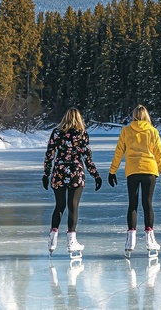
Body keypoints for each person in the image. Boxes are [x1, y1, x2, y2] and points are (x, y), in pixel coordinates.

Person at [108, 105, 161, 255]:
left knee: (133, 204)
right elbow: (158, 153)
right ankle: (150, 240)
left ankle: (130, 239)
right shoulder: (152, 131)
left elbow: (118, 152)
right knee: (147, 204)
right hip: (149, 171)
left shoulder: (126, 131)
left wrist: (112, 171)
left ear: (134, 116)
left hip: (133, 171)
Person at [42, 107, 102, 255]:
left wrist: (46, 173)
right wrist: (96, 175)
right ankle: (71, 241)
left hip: (59, 172)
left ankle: (52, 238)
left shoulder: (56, 132)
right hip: (75, 172)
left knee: (59, 205)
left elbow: (49, 154)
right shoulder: (81, 134)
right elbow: (87, 157)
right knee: (73, 206)